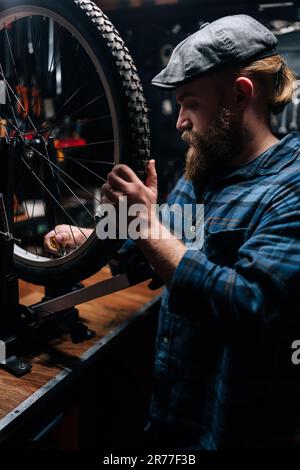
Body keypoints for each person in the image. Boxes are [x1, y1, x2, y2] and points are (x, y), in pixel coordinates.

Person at [45, 14, 300, 450]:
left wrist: (146, 224)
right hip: (172, 415)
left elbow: (250, 307)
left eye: (190, 103)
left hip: (229, 432)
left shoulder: (290, 188)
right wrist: (96, 236)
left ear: (240, 94)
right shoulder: (206, 172)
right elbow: (168, 242)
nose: (179, 121)